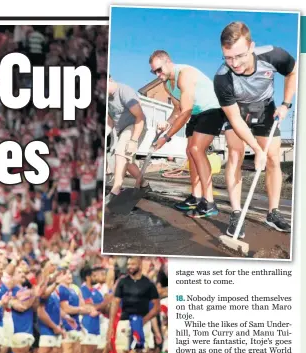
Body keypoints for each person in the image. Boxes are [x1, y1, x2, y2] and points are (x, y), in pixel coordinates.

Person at [214, 21, 296, 236]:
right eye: (228, 57)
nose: (235, 63)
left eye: (240, 55)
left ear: (251, 47)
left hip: (265, 107)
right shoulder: (222, 78)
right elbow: (234, 118)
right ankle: (236, 212)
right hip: (238, 110)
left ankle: (273, 213)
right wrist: (255, 149)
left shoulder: (273, 55)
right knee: (235, 154)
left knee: (272, 158)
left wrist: (286, 104)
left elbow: (293, 72)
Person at [149, 50, 226, 217]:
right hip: (197, 113)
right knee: (189, 152)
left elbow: (185, 112)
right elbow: (177, 110)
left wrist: (166, 137)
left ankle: (209, 202)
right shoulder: (166, 85)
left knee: (197, 149)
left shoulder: (185, 74)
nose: (157, 74)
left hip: (213, 109)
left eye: (159, 69)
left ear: (168, 62)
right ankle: (196, 197)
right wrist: (167, 122)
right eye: (154, 71)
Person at [107, 257, 160, 353]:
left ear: (140, 265)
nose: (129, 266)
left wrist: (143, 320)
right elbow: (115, 303)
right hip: (125, 321)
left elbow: (156, 307)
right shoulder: (122, 282)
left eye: (132, 264)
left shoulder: (148, 284)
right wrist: (111, 325)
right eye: (128, 264)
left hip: (143, 322)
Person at [105, 76, 148, 205]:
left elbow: (140, 117)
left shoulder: (125, 91)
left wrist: (133, 140)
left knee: (120, 153)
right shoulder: (107, 99)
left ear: (110, 79)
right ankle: (144, 184)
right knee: (127, 163)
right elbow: (110, 121)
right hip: (122, 130)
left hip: (136, 126)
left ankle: (116, 189)